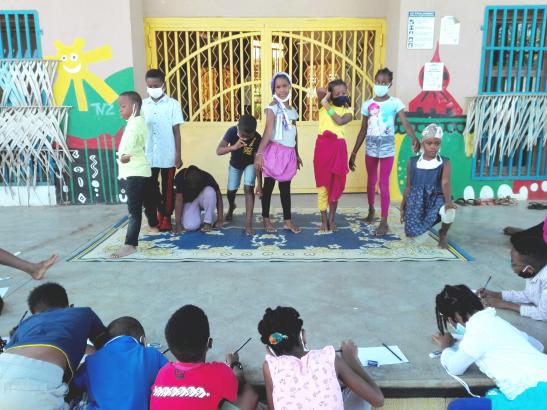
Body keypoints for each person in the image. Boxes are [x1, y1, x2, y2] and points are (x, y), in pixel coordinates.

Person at [433, 285, 547, 410]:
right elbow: (538, 346)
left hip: (536, 396)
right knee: (492, 394)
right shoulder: (498, 322)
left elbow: (455, 368)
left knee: (457, 407)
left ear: (452, 318)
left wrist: (446, 346)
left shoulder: (477, 332)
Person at [0, 282, 107, 409]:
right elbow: (109, 347)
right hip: (35, 390)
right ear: (69, 306)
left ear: (34, 314)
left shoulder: (25, 323)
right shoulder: (83, 313)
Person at [257, 306, 384, 410]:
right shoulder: (328, 358)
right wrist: (352, 360)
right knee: (358, 389)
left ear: (270, 348)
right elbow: (378, 400)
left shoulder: (270, 367)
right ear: (303, 336)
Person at [349, 67, 419, 236]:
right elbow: (363, 129)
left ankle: (384, 221)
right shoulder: (367, 104)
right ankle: (371, 210)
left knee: (383, 183)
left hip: (387, 147)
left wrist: (414, 138)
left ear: (389, 84)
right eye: (377, 81)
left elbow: (405, 122)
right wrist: (353, 152)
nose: (380, 85)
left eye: (383, 82)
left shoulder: (395, 102)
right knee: (371, 181)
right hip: (371, 146)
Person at [150, 305, 258, 410]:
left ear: (170, 347)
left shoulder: (162, 374)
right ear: (209, 343)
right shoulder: (220, 373)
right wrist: (234, 365)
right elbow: (250, 397)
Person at [73, 316, 168, 410]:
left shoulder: (91, 360)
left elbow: (74, 385)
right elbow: (172, 376)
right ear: (142, 340)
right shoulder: (152, 353)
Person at [111, 91, 158, 258]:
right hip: (143, 170)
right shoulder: (140, 119)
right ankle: (153, 225)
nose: (120, 110)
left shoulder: (132, 127)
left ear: (135, 107)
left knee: (134, 210)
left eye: (123, 107)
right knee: (148, 202)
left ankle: (130, 244)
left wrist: (122, 158)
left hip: (134, 173)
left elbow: (126, 153)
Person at [254, 72, 302, 234]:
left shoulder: (293, 111)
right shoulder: (272, 108)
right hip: (274, 152)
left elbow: (295, 133)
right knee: (268, 188)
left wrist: (297, 153)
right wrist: (259, 154)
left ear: (290, 87)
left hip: (288, 154)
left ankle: (287, 221)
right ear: (274, 90)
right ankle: (266, 219)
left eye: (284, 86)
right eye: (278, 87)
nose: (282, 90)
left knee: (285, 188)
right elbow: (268, 130)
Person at [400, 124, 456, 249]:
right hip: (417, 202)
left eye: (437, 143)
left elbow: (445, 182)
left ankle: (443, 234)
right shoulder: (412, 162)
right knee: (415, 238)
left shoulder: (444, 162)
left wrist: (448, 202)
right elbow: (408, 186)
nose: (433, 147)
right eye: (429, 143)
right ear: (422, 143)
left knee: (449, 211)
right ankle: (423, 226)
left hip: (436, 199)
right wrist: (403, 206)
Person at [142, 69, 184, 232]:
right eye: (149, 86)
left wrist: (178, 155)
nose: (153, 88)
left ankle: (166, 216)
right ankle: (157, 212)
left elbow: (176, 132)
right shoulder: (142, 105)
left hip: (168, 153)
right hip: (148, 155)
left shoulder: (173, 105)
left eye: (156, 85)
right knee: (150, 187)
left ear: (163, 85)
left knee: (168, 189)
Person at [478, 235, 547, 321]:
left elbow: (543, 314)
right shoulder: (533, 271)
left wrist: (506, 304)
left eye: (514, 264)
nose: (513, 269)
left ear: (529, 269)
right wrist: (498, 295)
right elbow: (529, 295)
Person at [314, 80, 353, 232]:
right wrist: (328, 95)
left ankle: (331, 219)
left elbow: (339, 121)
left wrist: (327, 103)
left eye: (344, 93)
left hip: (338, 150)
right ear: (331, 95)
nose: (341, 95)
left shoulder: (348, 111)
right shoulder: (322, 105)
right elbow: (319, 90)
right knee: (323, 187)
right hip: (323, 149)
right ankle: (324, 220)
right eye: (338, 93)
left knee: (336, 186)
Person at [216, 114, 261, 235]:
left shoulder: (257, 138)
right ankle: (231, 206)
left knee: (248, 189)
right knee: (231, 191)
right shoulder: (231, 131)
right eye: (242, 135)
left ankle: (248, 224)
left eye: (248, 136)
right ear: (238, 128)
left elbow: (257, 163)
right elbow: (219, 150)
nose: (245, 138)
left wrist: (259, 185)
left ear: (254, 132)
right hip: (235, 165)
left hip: (250, 164)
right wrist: (233, 147)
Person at [173, 165, 223, 233]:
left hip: (202, 198)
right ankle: (193, 213)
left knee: (210, 192)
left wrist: (220, 219)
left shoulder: (206, 176)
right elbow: (178, 200)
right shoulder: (180, 178)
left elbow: (219, 196)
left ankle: (207, 222)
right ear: (185, 178)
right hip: (189, 202)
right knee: (190, 226)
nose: (194, 188)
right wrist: (178, 223)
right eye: (191, 186)